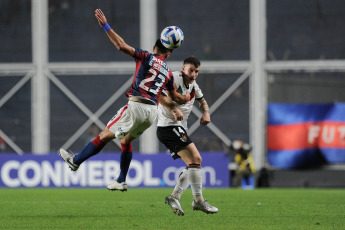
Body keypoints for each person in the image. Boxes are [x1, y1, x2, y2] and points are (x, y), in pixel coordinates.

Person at [59, 9, 189, 191]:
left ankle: (75, 161)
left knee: (104, 135)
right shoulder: (167, 73)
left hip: (136, 107)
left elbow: (121, 45)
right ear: (168, 54)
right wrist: (185, 98)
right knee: (126, 141)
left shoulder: (146, 57)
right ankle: (121, 180)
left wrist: (105, 25)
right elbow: (175, 97)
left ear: (154, 49)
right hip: (151, 114)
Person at [156, 56, 218, 215]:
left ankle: (174, 197)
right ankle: (198, 201)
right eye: (191, 70)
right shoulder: (173, 78)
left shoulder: (194, 85)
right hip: (168, 126)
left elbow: (202, 101)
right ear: (183, 68)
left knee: (192, 164)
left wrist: (206, 112)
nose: (194, 74)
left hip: (178, 128)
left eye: (197, 71)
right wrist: (174, 109)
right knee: (196, 159)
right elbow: (160, 96)